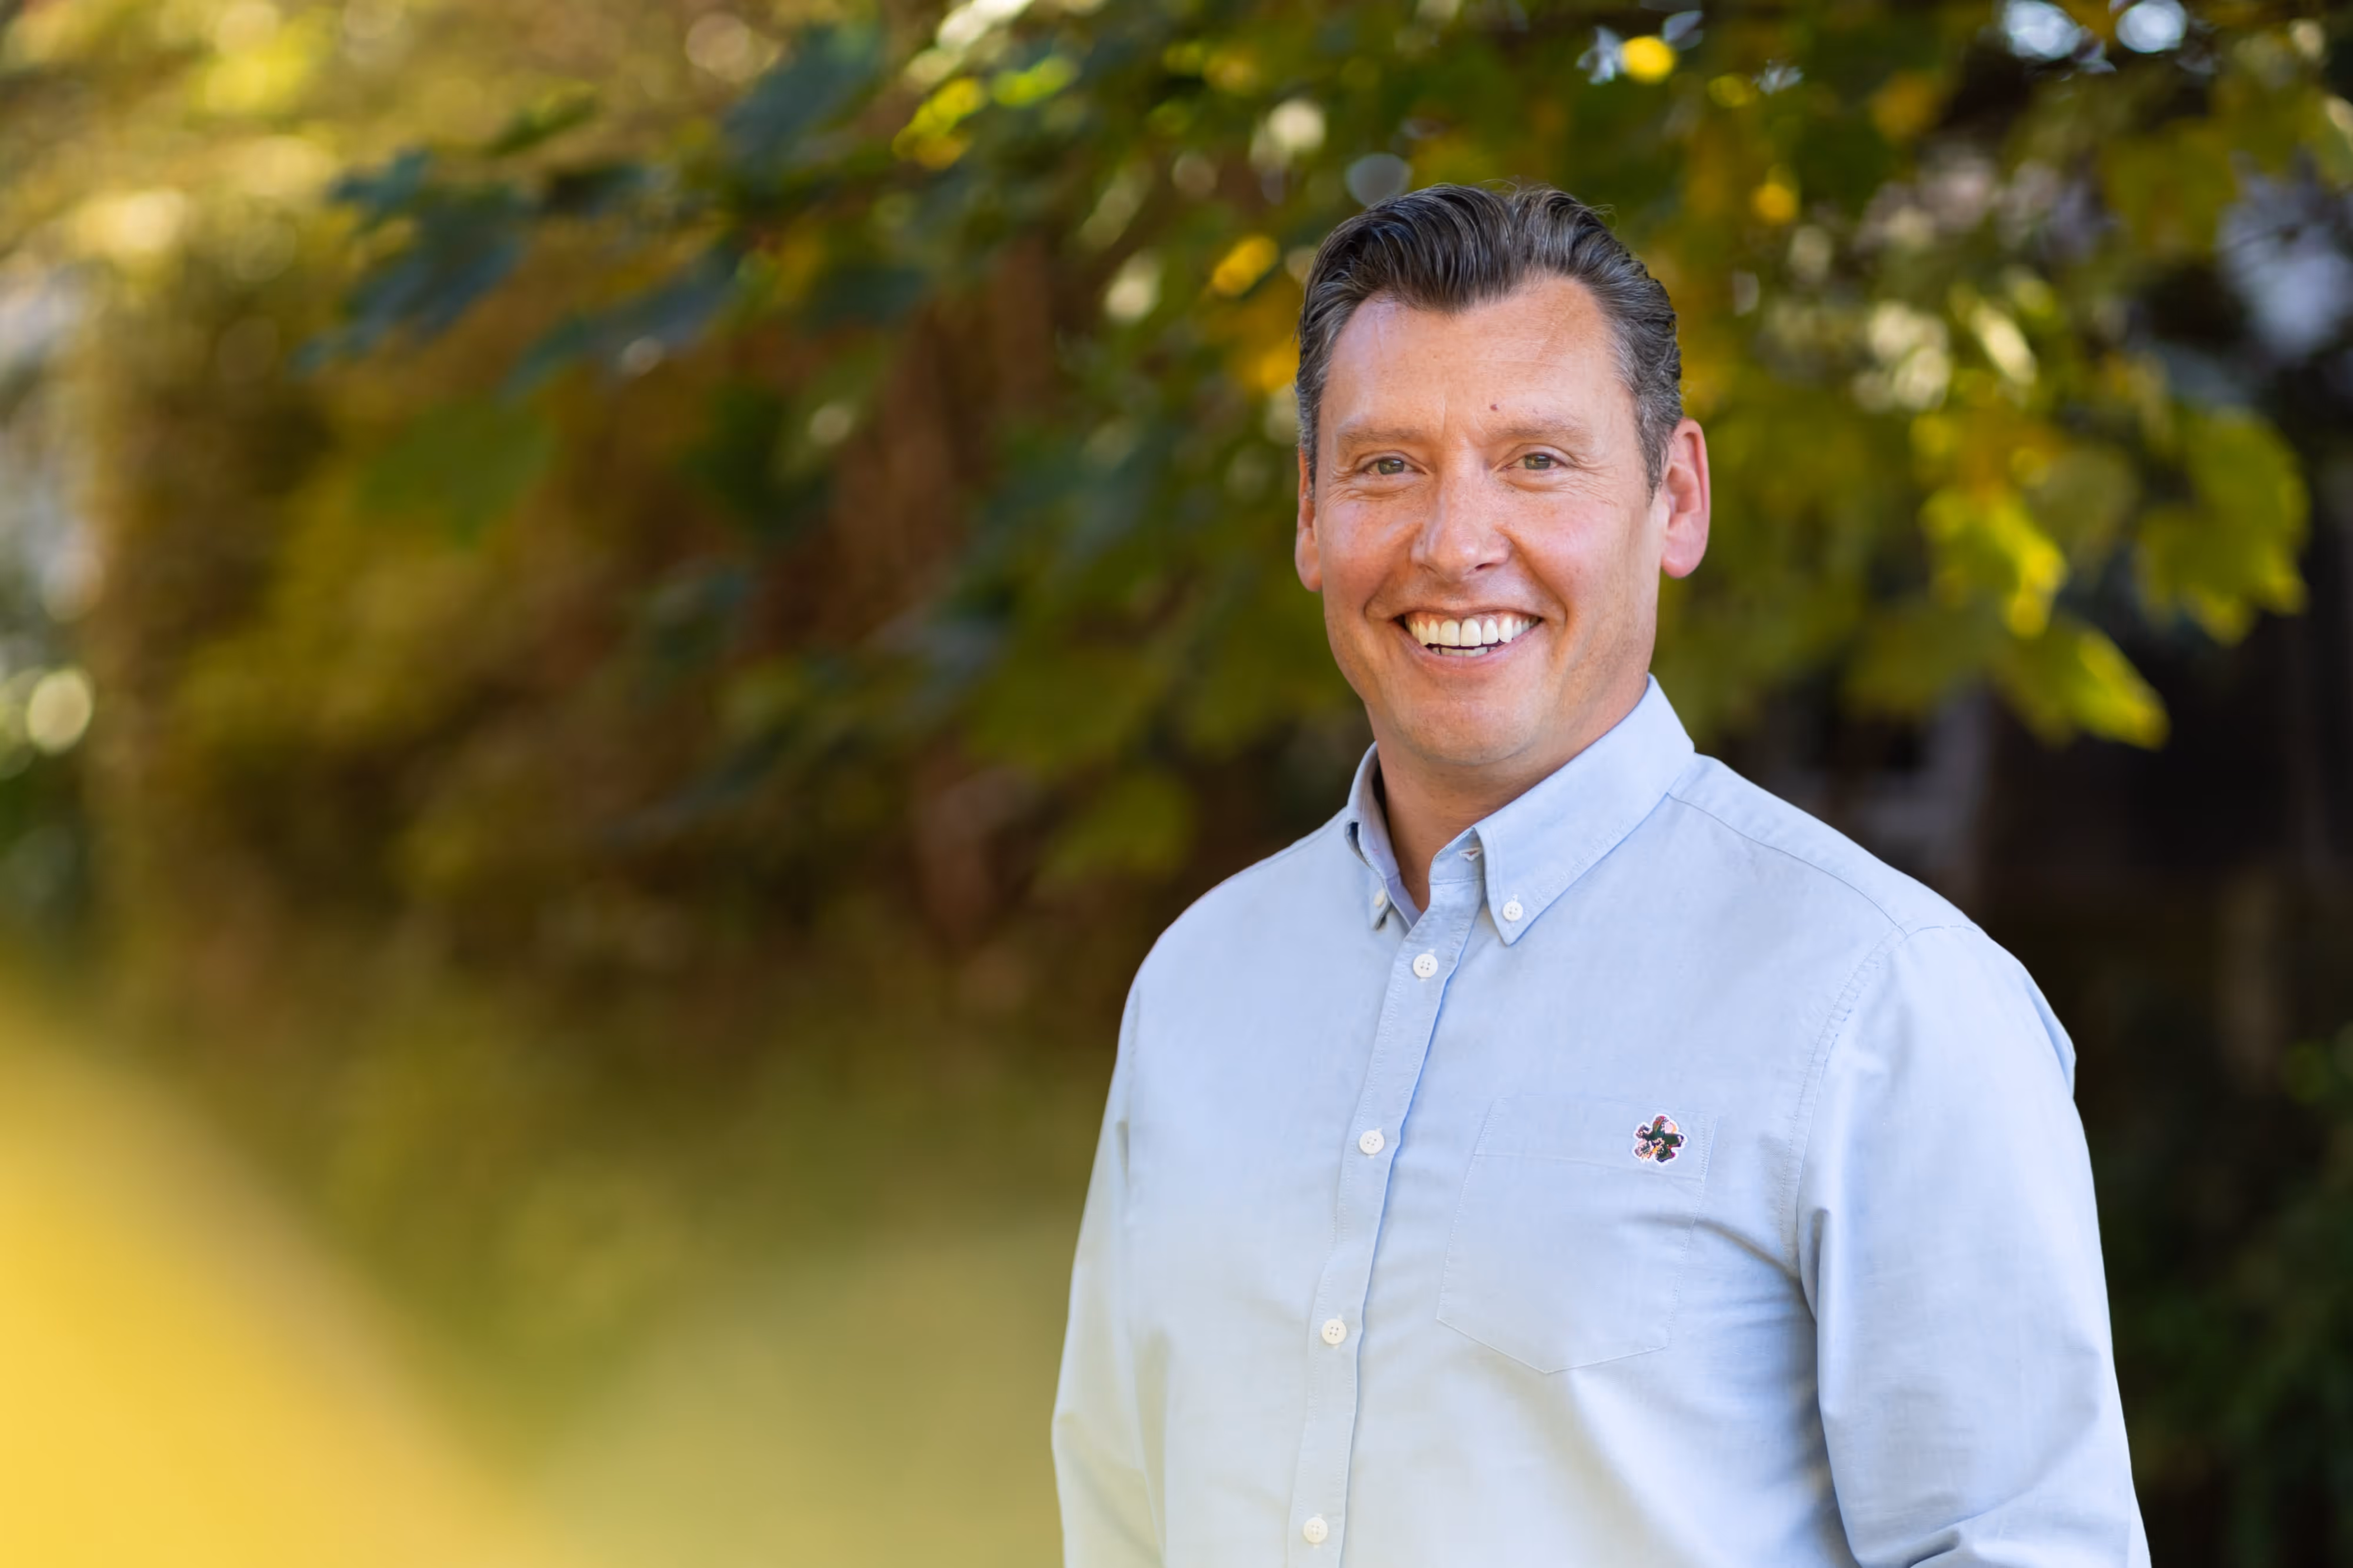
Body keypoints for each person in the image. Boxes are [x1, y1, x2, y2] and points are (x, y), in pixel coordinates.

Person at [1050, 181, 2147, 1567]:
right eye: (1387, 465)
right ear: (1309, 517)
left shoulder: (1883, 1005)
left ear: (1672, 498)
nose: (1453, 542)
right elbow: (1115, 1513)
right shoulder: (1196, 988)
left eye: (1535, 461)